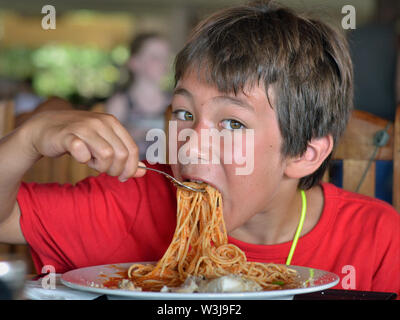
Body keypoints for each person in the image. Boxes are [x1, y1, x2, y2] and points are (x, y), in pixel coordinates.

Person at [0, 1, 398, 296]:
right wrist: (27, 139)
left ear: (304, 153)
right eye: (185, 113)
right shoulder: (133, 202)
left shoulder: (377, 240)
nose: (192, 145)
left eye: (232, 123)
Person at [106, 32, 171, 160]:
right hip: (130, 175)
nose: (163, 63)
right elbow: (107, 141)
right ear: (134, 63)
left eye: (166, 57)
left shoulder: (173, 102)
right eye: (155, 57)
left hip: (166, 175)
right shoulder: (120, 102)